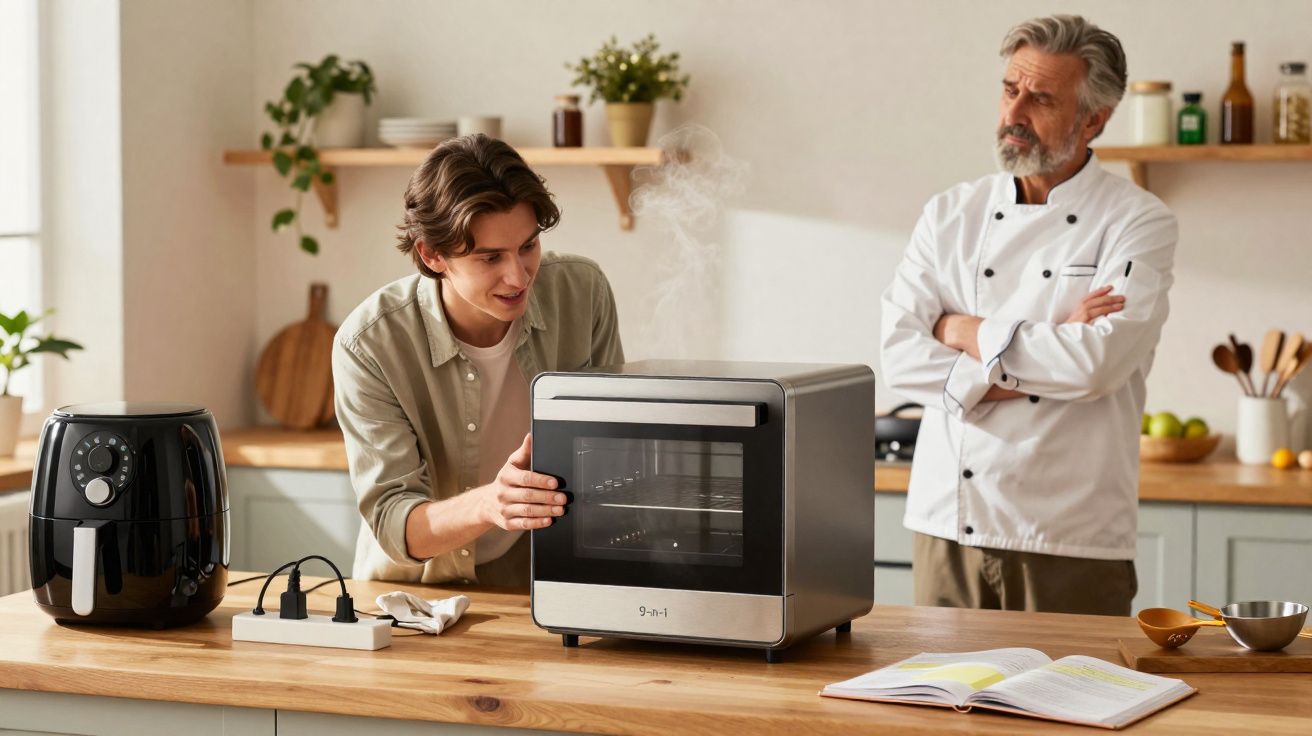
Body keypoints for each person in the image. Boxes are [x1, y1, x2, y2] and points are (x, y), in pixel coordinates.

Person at [880, 15, 1177, 615]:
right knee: (936, 705)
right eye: (1010, 88)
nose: (1014, 113)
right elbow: (900, 360)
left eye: (1041, 98)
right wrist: (1054, 341)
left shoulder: (1137, 222)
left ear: (1094, 119)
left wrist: (960, 331)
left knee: (1072, 704)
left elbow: (1094, 366)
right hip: (947, 525)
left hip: (1066, 535)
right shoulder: (949, 214)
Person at [333, 134, 624, 588]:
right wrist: (492, 503)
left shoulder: (582, 293)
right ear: (432, 255)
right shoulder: (369, 344)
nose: (518, 276)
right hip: (415, 597)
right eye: (490, 258)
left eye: (528, 247)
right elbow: (393, 522)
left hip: (539, 581)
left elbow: (612, 448)